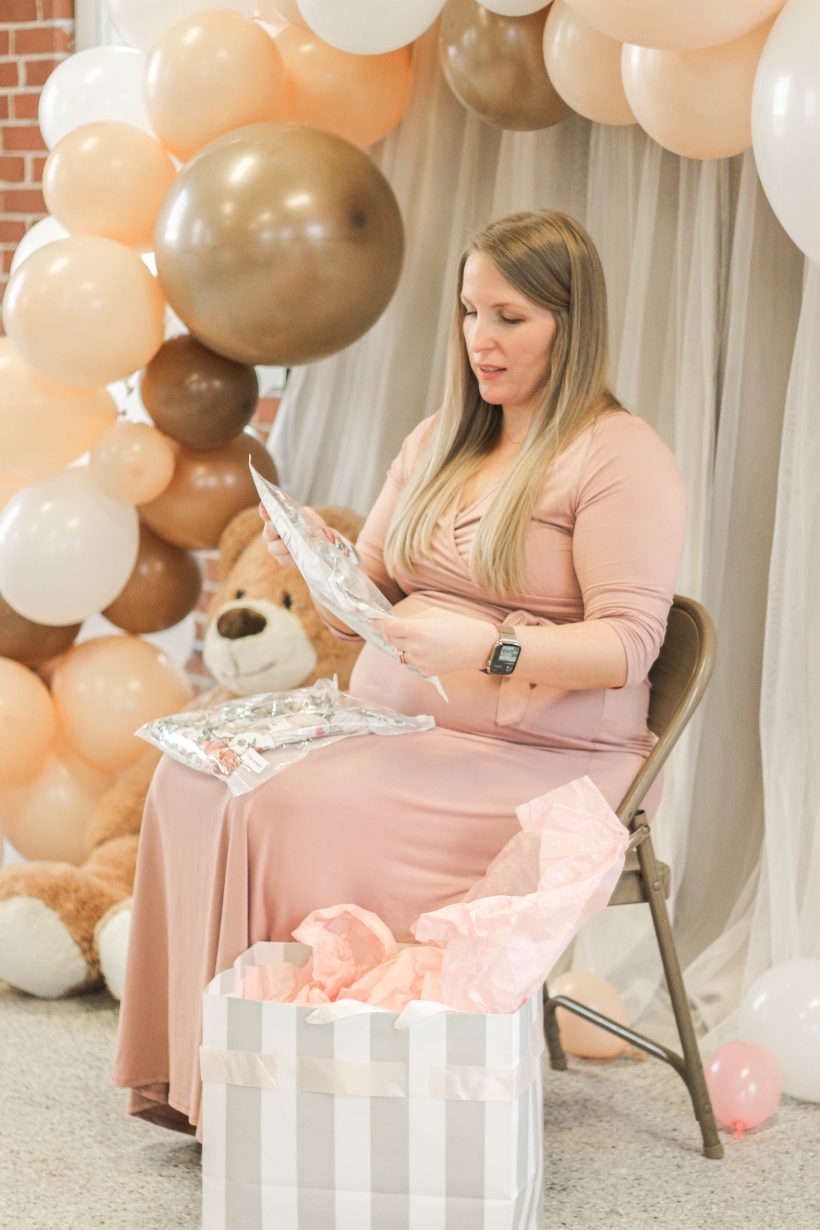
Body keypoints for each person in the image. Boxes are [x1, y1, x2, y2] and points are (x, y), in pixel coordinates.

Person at [113, 209, 686, 1135]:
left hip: (533, 759)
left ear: (570, 325)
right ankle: (201, 1079)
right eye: (469, 312)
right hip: (400, 729)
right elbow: (368, 593)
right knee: (190, 777)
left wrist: (489, 647)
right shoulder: (440, 438)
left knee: (278, 805)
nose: (480, 341)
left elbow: (627, 644)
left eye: (510, 317)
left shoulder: (621, 458)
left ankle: (290, 1099)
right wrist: (316, 556)